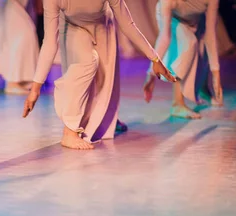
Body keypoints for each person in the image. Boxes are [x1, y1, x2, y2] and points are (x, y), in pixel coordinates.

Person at [23, 0, 175, 150]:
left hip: (103, 25)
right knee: (86, 63)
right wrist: (35, 88)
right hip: (71, 26)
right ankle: (69, 131)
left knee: (104, 79)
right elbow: (49, 42)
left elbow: (128, 25)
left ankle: (107, 119)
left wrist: (155, 58)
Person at [142, 0, 224, 120]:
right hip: (172, 19)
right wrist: (151, 74)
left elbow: (210, 35)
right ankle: (177, 104)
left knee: (202, 49)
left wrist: (216, 76)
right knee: (188, 43)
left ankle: (203, 89)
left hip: (195, 20)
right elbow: (164, 38)